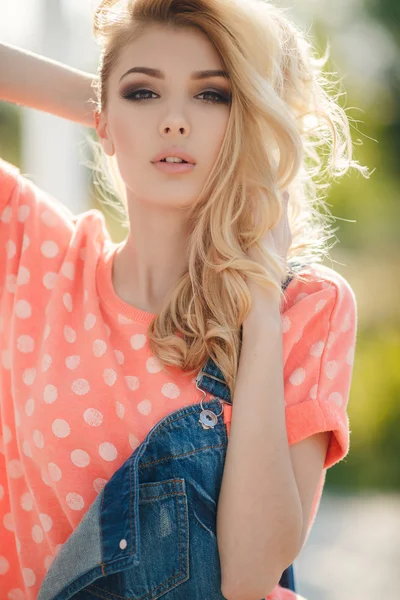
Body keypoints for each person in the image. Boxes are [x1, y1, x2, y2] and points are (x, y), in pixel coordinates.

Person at [0, 0, 368, 598]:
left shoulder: (307, 305)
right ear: (104, 117)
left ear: (247, 118)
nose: (174, 121)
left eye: (213, 96)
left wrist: (259, 310)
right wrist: (100, 105)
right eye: (144, 93)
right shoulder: (32, 253)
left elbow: (250, 575)